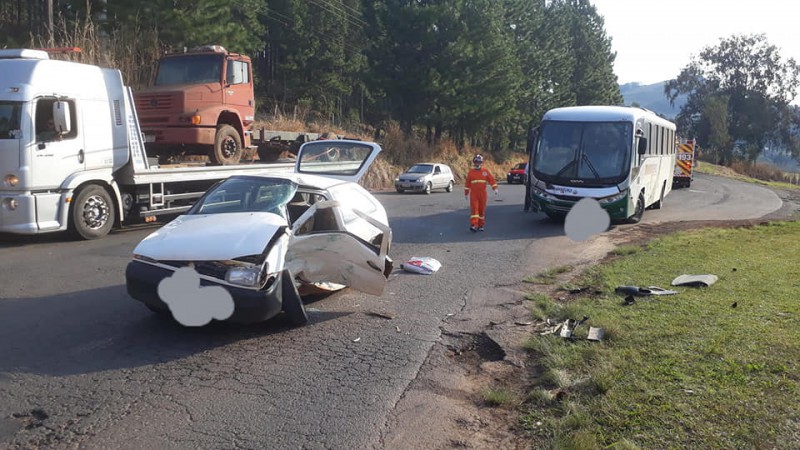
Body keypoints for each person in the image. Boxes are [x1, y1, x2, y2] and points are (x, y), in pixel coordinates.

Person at [464, 154, 498, 232]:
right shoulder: (471, 172)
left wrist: (495, 188)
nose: (477, 164)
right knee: (474, 209)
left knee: (481, 210)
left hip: (483, 194)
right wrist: (466, 193)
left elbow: (491, 180)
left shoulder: (485, 171)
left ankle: (481, 225)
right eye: (476, 162)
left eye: (479, 162)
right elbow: (467, 184)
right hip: (474, 195)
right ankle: (474, 225)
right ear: (474, 163)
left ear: (481, 162)